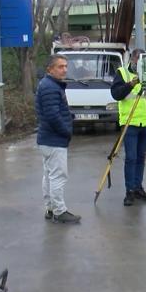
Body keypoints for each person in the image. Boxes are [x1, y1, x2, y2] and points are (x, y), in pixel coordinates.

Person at [35, 54, 81, 224]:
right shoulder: (51, 87)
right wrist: (66, 131)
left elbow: (53, 111)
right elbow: (52, 115)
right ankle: (59, 211)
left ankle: (50, 208)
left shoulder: (49, 85)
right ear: (50, 69)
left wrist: (68, 117)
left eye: (65, 66)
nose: (64, 70)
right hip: (53, 140)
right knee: (58, 176)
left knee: (49, 175)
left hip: (47, 139)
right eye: (60, 67)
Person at [110, 49, 146, 206]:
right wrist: (132, 83)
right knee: (131, 158)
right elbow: (116, 94)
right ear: (132, 59)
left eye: (143, 61)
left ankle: (138, 187)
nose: (140, 64)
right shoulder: (122, 73)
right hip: (129, 123)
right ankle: (129, 191)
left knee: (140, 158)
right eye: (138, 60)